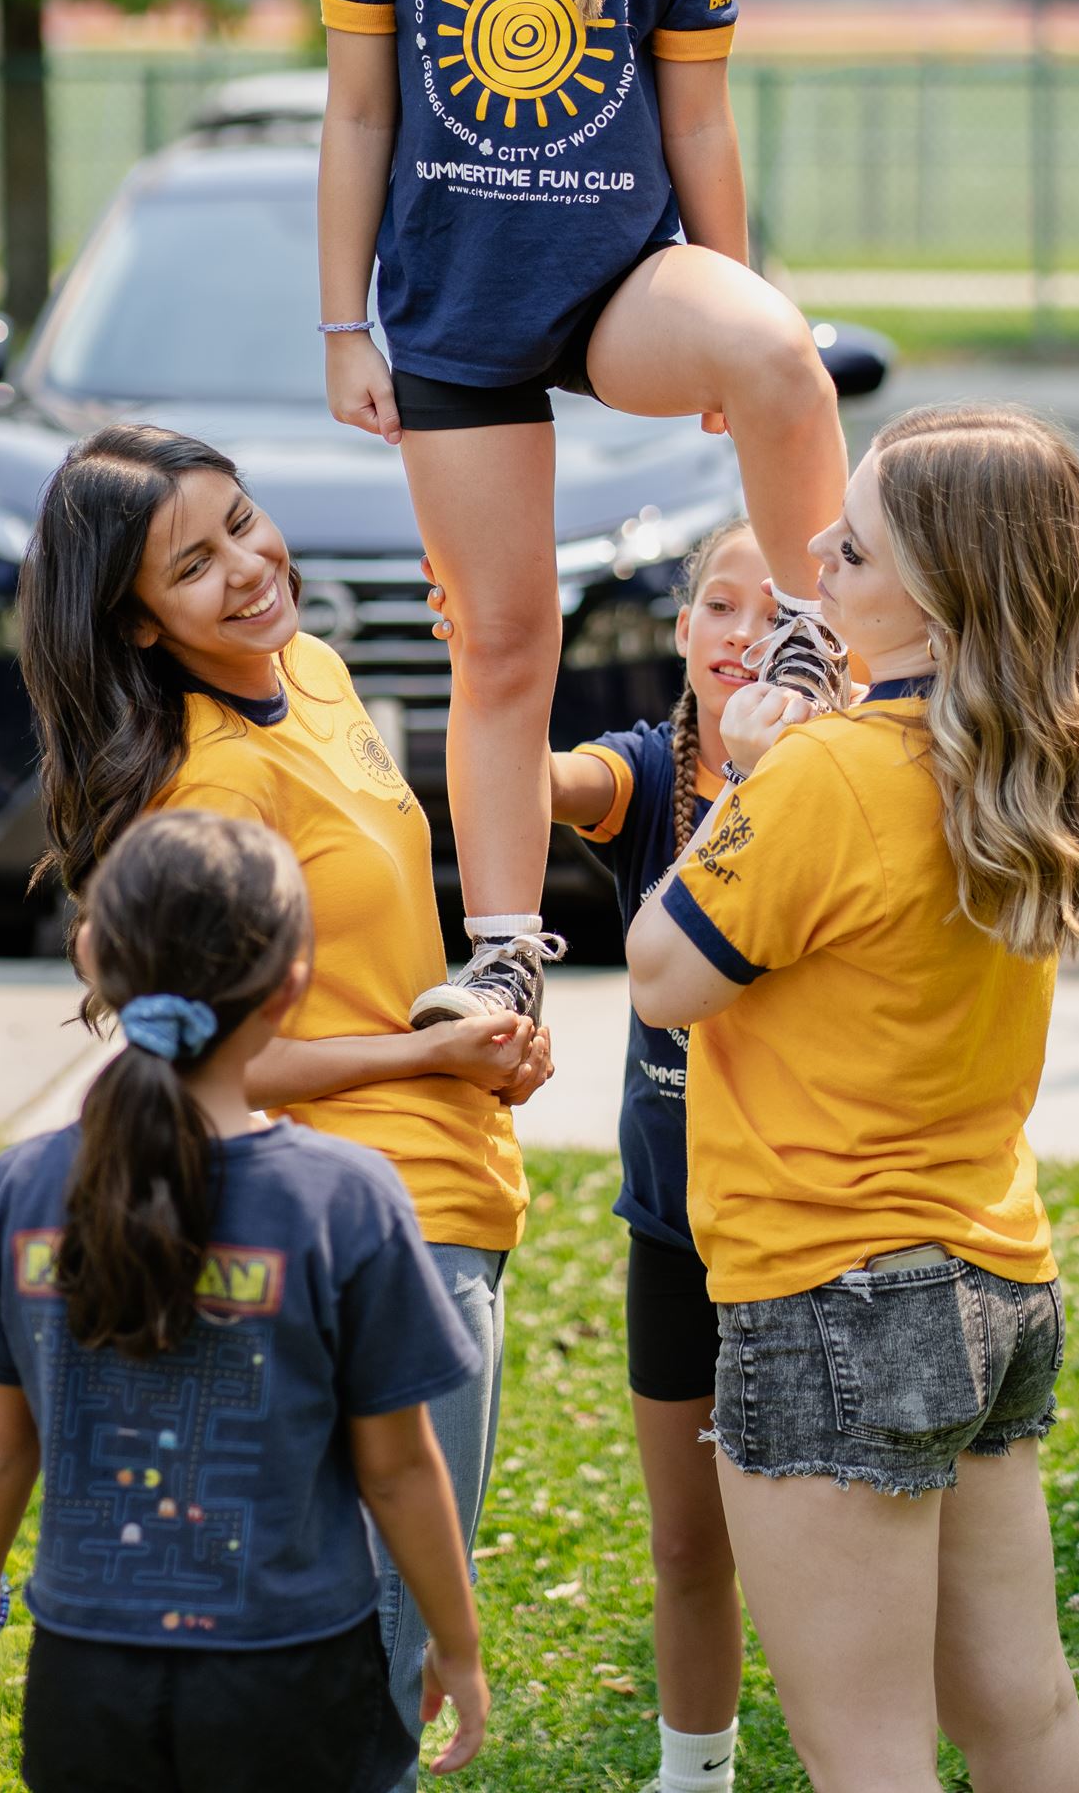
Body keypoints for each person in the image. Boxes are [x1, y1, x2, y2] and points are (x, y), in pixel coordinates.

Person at [316, 0, 850, 1033]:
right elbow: (356, 119)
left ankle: (816, 644)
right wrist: (344, 323)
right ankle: (499, 953)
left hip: (620, 288)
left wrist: (730, 312)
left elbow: (698, 123)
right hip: (455, 316)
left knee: (781, 351)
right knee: (502, 645)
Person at [628, 405, 1079, 1793]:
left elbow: (662, 973)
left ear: (937, 594)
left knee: (860, 1749)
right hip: (992, 1273)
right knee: (1020, 1711)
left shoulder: (827, 772)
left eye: (850, 549)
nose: (814, 550)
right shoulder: (1050, 756)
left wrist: (743, 779)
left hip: (827, 1290)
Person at [17, 424, 546, 1788]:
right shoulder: (205, 783)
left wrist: (466, 1030)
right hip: (359, 1222)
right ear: (139, 623)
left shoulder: (309, 670)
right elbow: (203, 1057)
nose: (249, 568)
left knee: (369, 1646)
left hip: (450, 1181)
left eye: (242, 522)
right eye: (193, 565)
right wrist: (429, 1061)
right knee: (372, 1663)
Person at [0, 806, 489, 1793]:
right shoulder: (345, 1199)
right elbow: (398, 1467)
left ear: (94, 957)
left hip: (85, 1678)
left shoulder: (15, 1191)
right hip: (294, 1672)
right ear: (292, 982)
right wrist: (456, 1643)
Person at [428, 518, 768, 1793]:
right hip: (673, 1230)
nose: (740, 633)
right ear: (679, 630)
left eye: (772, 611)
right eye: (718, 605)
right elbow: (530, 779)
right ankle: (695, 1773)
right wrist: (483, 661)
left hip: (806, 1235)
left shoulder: (838, 777)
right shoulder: (653, 770)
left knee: (821, 1544)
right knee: (686, 1546)